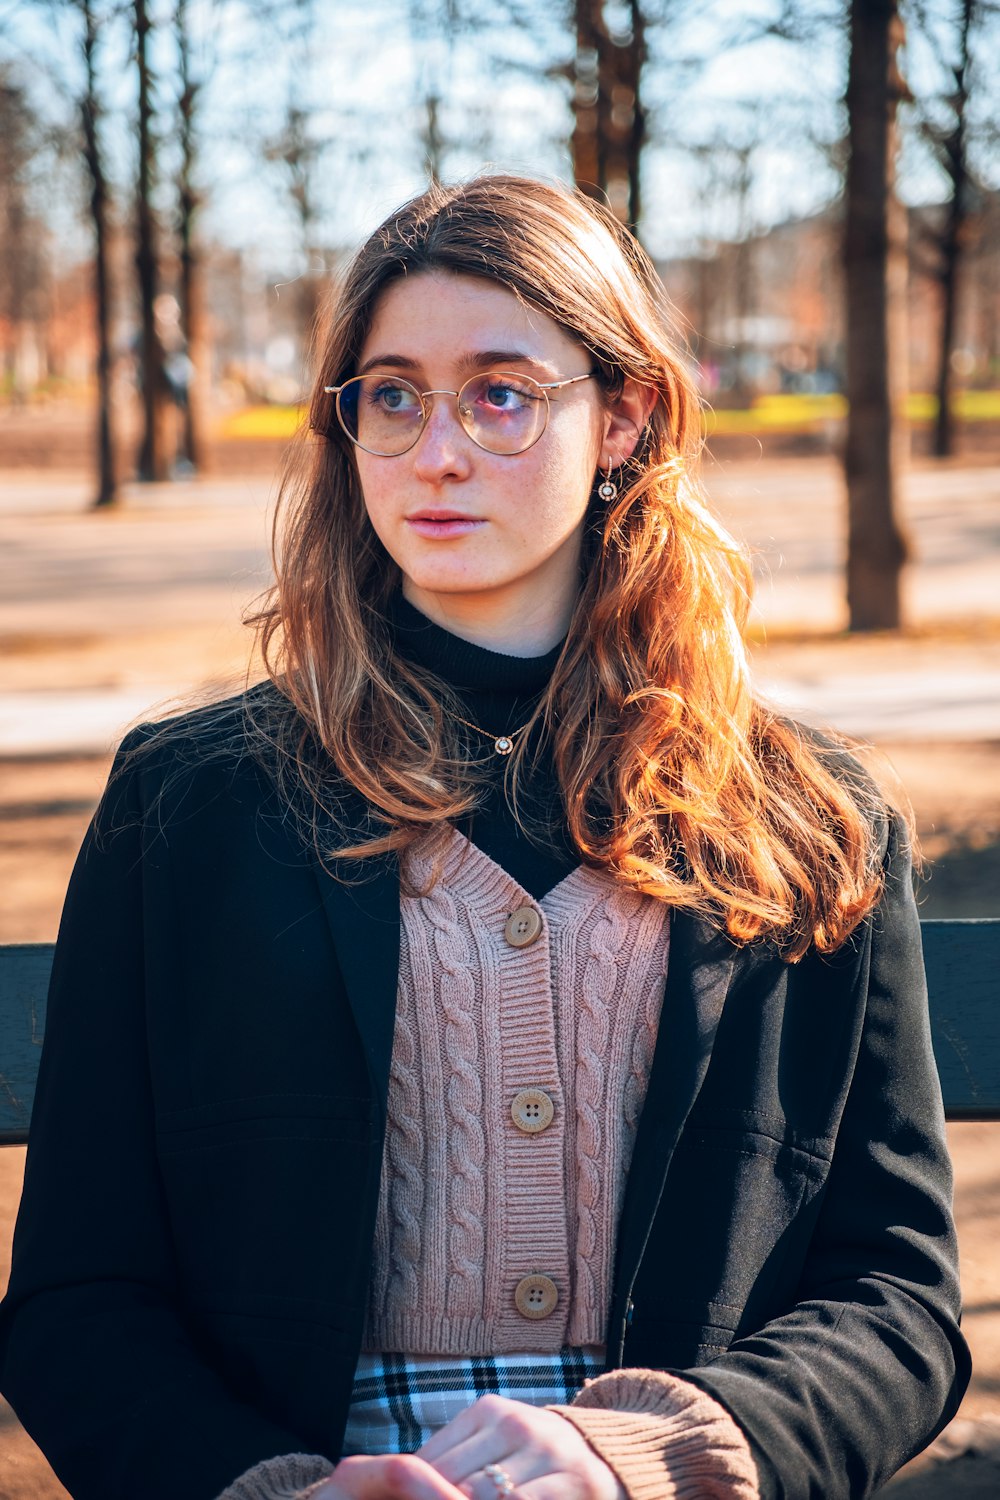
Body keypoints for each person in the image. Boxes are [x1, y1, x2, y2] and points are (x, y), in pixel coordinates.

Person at [0, 175, 969, 1500]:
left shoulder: (803, 820)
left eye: (500, 392)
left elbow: (895, 1298)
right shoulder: (193, 806)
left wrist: (640, 1458)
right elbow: (79, 1300)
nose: (436, 451)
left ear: (623, 413)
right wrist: (278, 1488)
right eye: (390, 395)